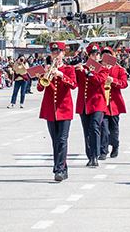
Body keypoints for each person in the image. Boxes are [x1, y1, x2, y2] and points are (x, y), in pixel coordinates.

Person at [37, 42, 76, 181]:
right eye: (53, 53)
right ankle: (62, 168)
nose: (56, 55)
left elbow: (73, 85)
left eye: (58, 53)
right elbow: (40, 88)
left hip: (64, 109)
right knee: (55, 141)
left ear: (63, 54)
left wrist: (60, 74)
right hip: (50, 110)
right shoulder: (46, 69)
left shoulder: (69, 69)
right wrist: (44, 75)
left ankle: (58, 169)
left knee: (62, 139)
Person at [75, 43, 109, 167]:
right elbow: (74, 83)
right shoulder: (82, 68)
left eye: (97, 55)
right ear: (88, 56)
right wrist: (74, 70)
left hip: (97, 103)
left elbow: (99, 81)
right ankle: (89, 155)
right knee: (87, 131)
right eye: (93, 55)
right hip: (84, 104)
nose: (95, 57)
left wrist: (87, 72)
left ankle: (95, 155)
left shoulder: (103, 68)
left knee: (95, 127)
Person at [99, 46, 127, 160]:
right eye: (104, 54)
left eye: (108, 54)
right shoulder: (98, 68)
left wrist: (114, 81)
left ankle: (115, 146)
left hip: (114, 104)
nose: (106, 56)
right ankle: (103, 150)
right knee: (103, 128)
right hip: (102, 103)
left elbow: (124, 83)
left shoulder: (118, 69)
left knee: (114, 129)